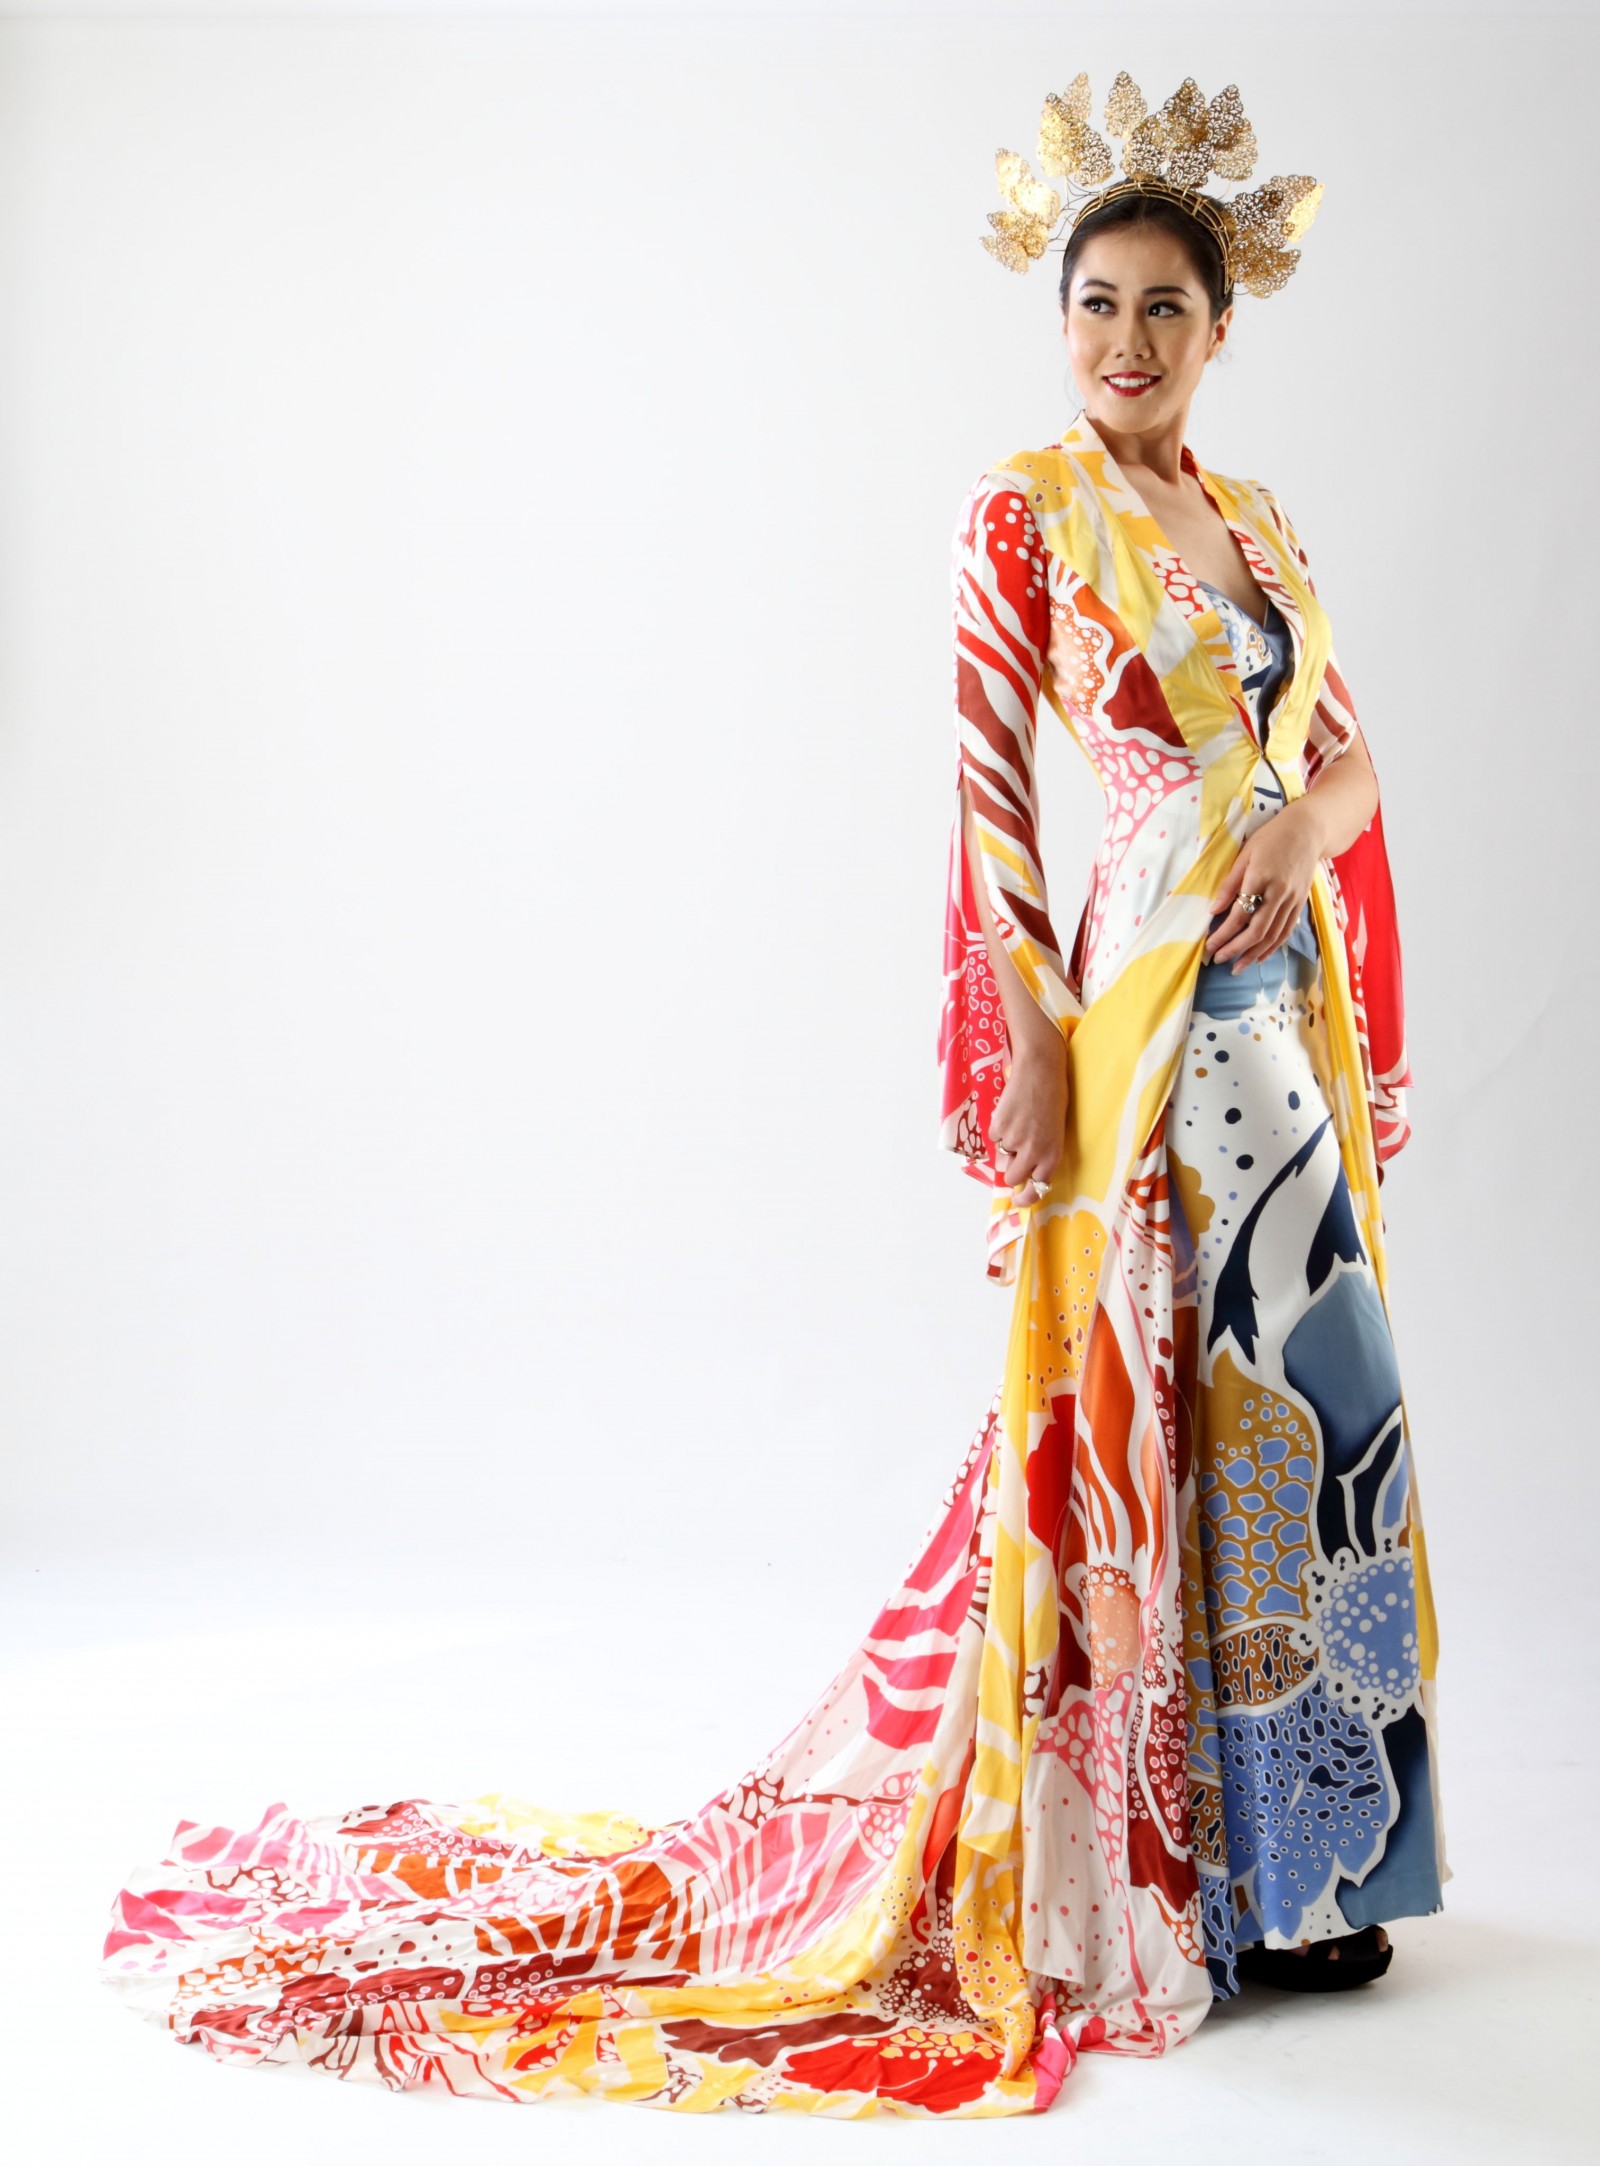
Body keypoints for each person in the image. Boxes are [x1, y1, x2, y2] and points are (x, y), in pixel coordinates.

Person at [99, 73, 1448, 2117]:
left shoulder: (1254, 527)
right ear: (1059, 317)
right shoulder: (1026, 509)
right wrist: (1028, 1034)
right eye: (1094, 304)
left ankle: (1317, 1876)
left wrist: (1296, 826)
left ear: (1220, 326)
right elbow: (991, 792)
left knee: (1305, 1422)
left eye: (1163, 308)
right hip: (1141, 1027)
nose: (1124, 340)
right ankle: (1158, 1879)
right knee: (1138, 1433)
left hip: (1281, 1022)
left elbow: (1345, 755)